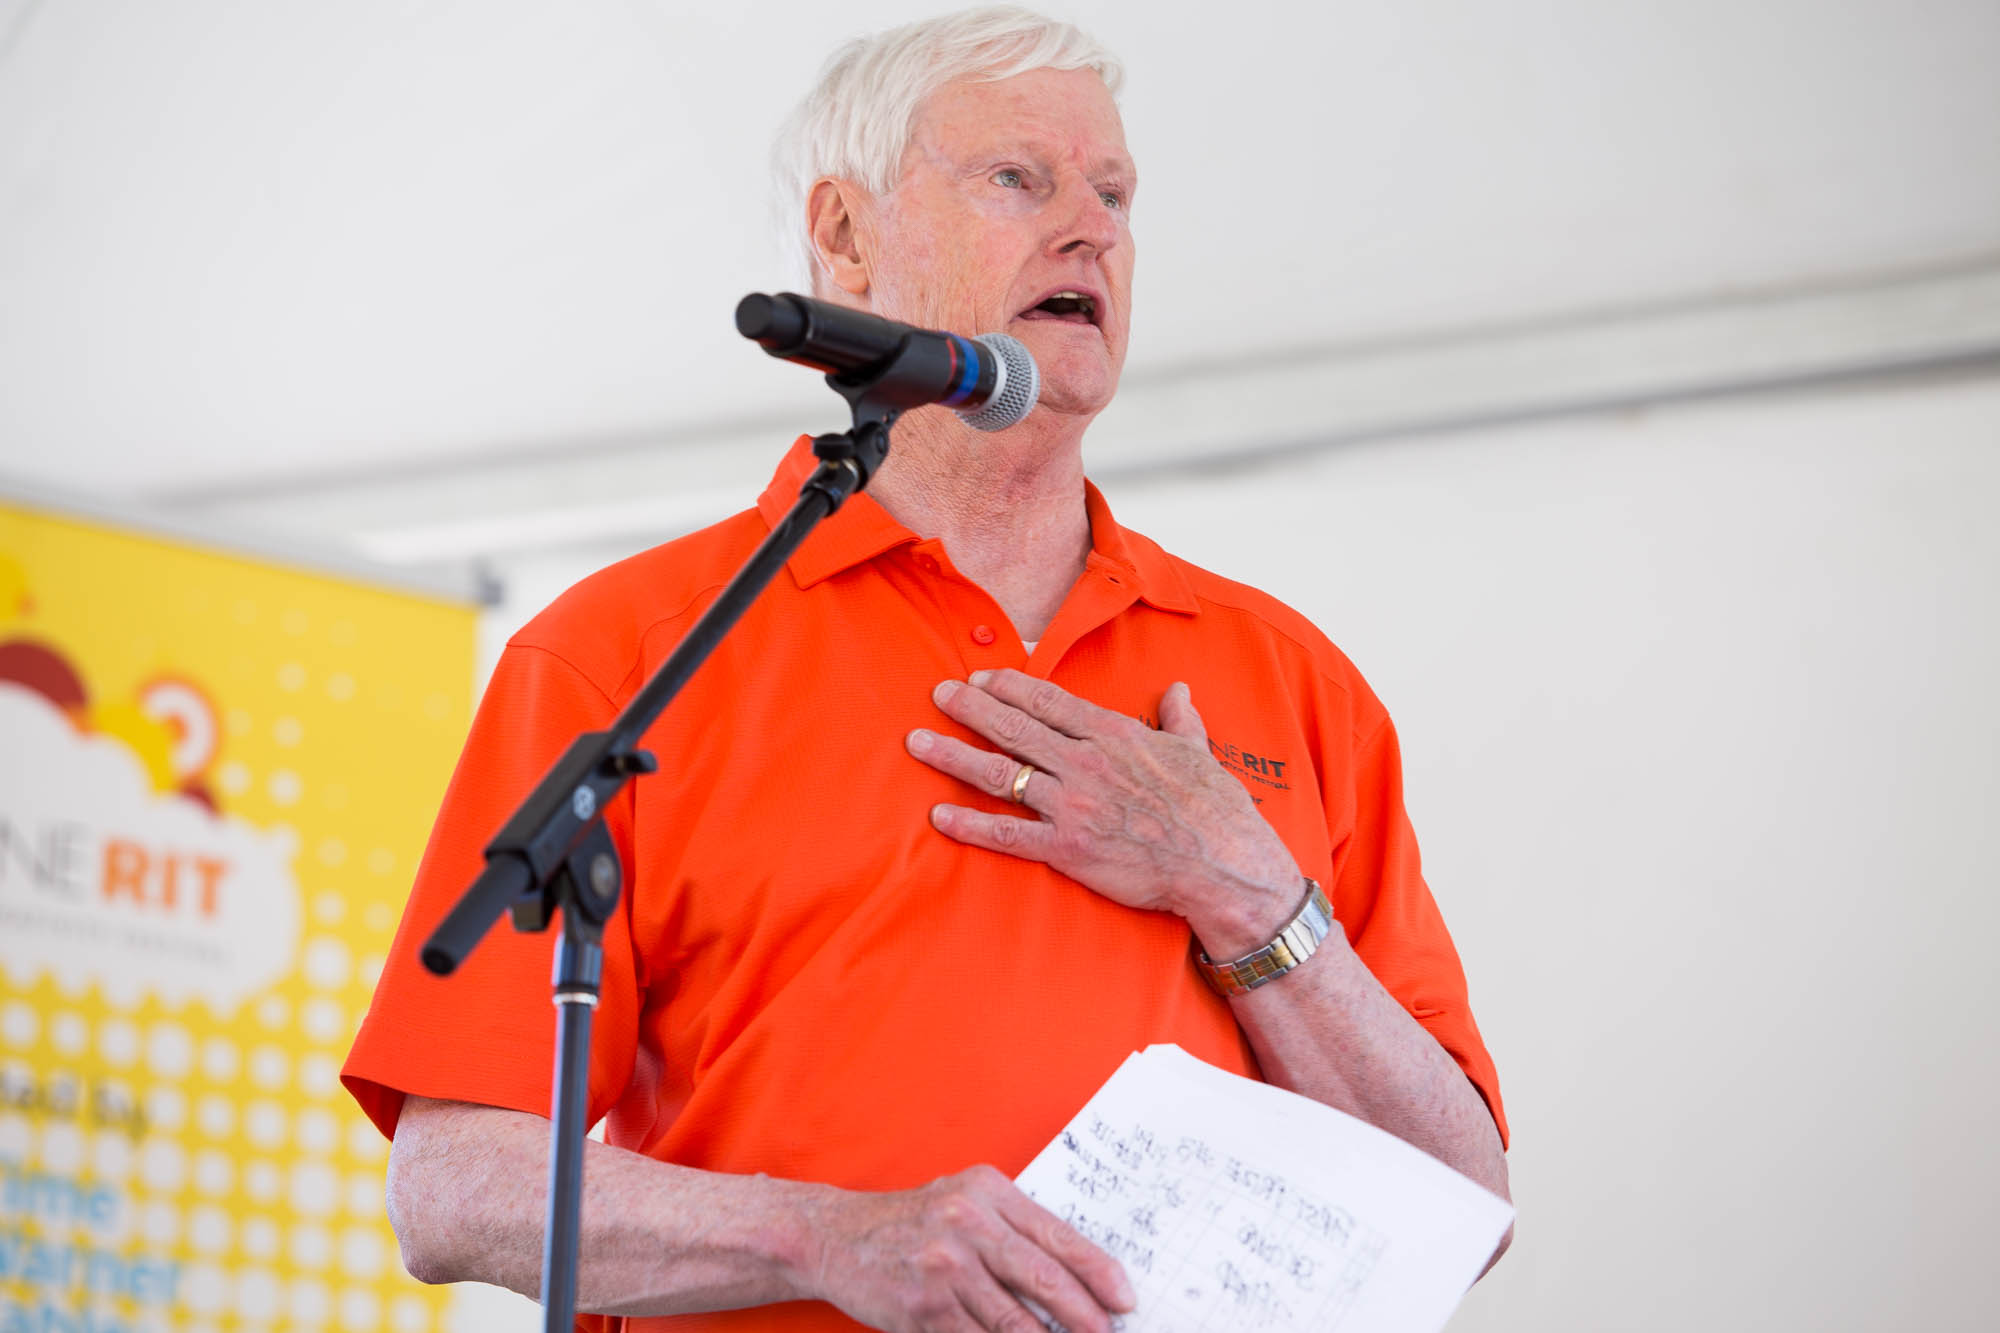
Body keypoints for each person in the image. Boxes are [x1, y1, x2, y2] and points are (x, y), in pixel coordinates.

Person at [343, 9, 1511, 1332]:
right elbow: (454, 1188)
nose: (1095, 228)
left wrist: (1242, 889)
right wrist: (830, 1235)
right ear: (842, 234)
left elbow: (1463, 1203)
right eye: (1020, 179)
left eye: (1116, 193)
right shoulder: (633, 647)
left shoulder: (1292, 679)